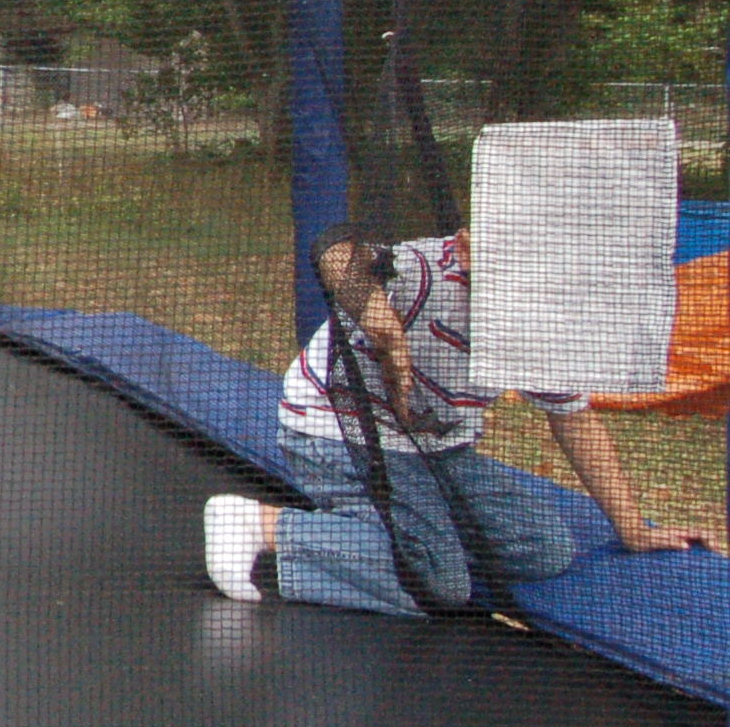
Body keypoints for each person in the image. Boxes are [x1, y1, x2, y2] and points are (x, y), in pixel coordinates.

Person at [202, 224, 719, 613]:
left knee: (544, 548)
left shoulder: (537, 319)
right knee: (441, 581)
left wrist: (632, 527)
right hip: (339, 429)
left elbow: (574, 421)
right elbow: (337, 252)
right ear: (466, 249)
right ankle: (260, 525)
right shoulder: (422, 271)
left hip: (434, 449)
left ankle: (399, 539)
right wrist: (383, 326)